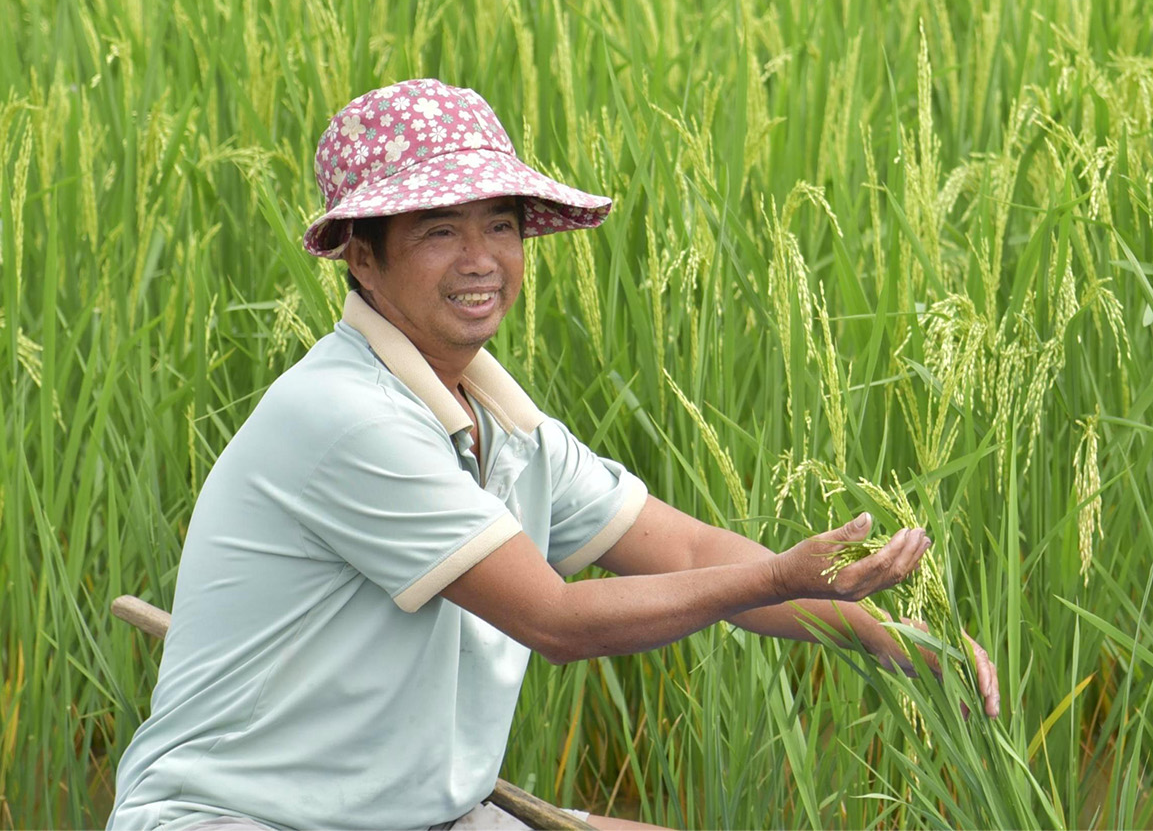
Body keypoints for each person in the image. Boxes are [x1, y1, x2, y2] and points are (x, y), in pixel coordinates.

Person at [109, 78, 999, 831]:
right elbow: (557, 621)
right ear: (362, 258)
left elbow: (686, 551)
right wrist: (780, 577)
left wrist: (894, 637)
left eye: (499, 226)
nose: (480, 259)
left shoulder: (511, 430)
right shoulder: (344, 416)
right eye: (437, 230)